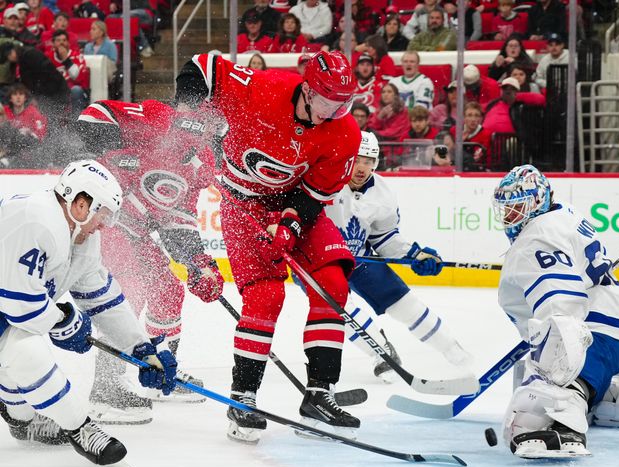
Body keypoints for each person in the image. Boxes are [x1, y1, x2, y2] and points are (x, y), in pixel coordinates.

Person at [175, 50, 362, 442]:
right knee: (265, 296)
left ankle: (319, 394)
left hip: (293, 202)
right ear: (308, 91)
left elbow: (314, 195)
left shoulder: (345, 132)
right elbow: (202, 66)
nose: (336, 111)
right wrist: (185, 114)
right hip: (243, 201)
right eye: (329, 101)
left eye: (345, 103)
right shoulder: (262, 89)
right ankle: (243, 397)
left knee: (333, 285)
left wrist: (291, 226)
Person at [0, 159, 178, 467]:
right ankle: (81, 429)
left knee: (23, 413)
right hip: (10, 311)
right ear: (81, 204)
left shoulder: (80, 237)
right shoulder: (36, 219)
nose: (106, 224)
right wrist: (65, 321)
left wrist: (140, 347)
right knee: (24, 350)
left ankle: (22, 418)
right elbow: (20, 308)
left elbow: (102, 299)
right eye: (104, 213)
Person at [75, 99, 223, 418]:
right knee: (129, 289)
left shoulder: (204, 162)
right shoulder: (157, 119)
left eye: (213, 124)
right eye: (202, 118)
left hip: (138, 233)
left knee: (168, 289)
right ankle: (106, 385)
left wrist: (197, 260)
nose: (205, 128)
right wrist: (109, 157)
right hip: (107, 224)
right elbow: (95, 114)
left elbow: (179, 217)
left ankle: (160, 373)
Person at [492, 165, 619, 458]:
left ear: (537, 203)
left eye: (517, 208)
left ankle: (567, 420)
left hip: (591, 335)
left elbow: (562, 305)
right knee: (533, 376)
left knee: (530, 406)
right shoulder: (563, 213)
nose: (509, 218)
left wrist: (551, 365)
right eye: (506, 210)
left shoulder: (537, 237)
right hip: (613, 331)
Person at [325, 131, 472, 380]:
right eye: (357, 159)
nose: (362, 168)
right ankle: (382, 353)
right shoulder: (326, 179)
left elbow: (384, 238)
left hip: (360, 257)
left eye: (369, 161)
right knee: (337, 305)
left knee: (404, 303)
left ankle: (453, 350)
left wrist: (415, 255)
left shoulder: (382, 192)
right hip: (319, 260)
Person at [0, 40, 68, 120]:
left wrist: (36, 96)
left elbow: (46, 75)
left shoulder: (29, 55)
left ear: (11, 53)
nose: (10, 60)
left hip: (54, 91)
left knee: (53, 117)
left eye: (8, 58)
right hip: (47, 91)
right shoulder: (24, 56)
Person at [47, 29, 88, 117]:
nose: (61, 43)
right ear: (53, 43)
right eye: (58, 40)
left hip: (74, 92)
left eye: (64, 40)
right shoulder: (48, 58)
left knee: (76, 90)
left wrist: (66, 59)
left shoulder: (77, 56)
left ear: (68, 43)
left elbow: (77, 78)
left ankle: (76, 124)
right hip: (55, 92)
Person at [452, 101, 491, 170]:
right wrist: (460, 141)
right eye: (469, 115)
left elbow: (477, 159)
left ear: (481, 119)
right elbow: (450, 154)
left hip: (478, 170)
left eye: (476, 116)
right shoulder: (454, 130)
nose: (473, 119)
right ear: (464, 117)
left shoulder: (486, 134)